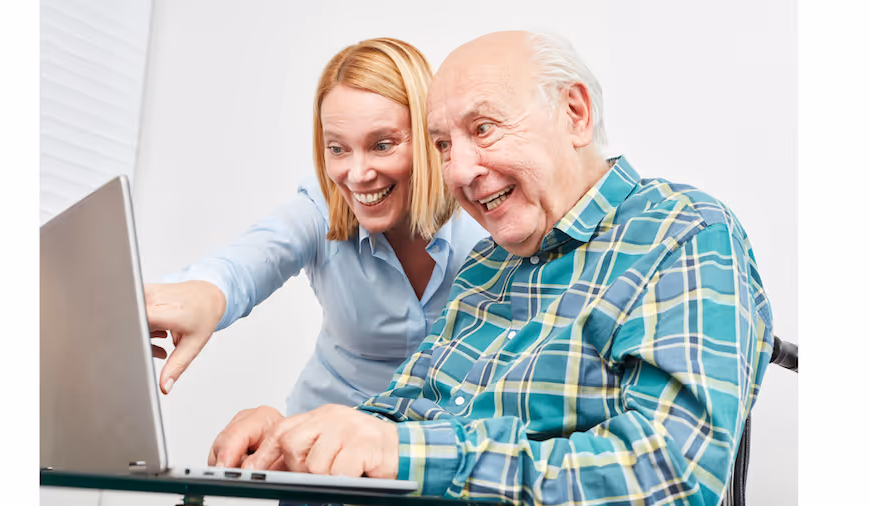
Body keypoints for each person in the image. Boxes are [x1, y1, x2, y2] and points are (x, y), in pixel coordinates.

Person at [209, 30, 775, 506]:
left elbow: (673, 473)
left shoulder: (683, 233)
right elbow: (399, 415)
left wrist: (407, 457)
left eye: (482, 129)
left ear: (575, 114)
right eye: (442, 145)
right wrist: (295, 439)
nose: (459, 171)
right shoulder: (487, 263)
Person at [145, 37, 488, 437]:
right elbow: (250, 261)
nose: (357, 174)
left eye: (382, 145)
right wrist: (207, 292)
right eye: (338, 149)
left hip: (436, 456)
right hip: (322, 453)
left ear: (430, 136)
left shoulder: (484, 212)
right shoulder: (319, 211)